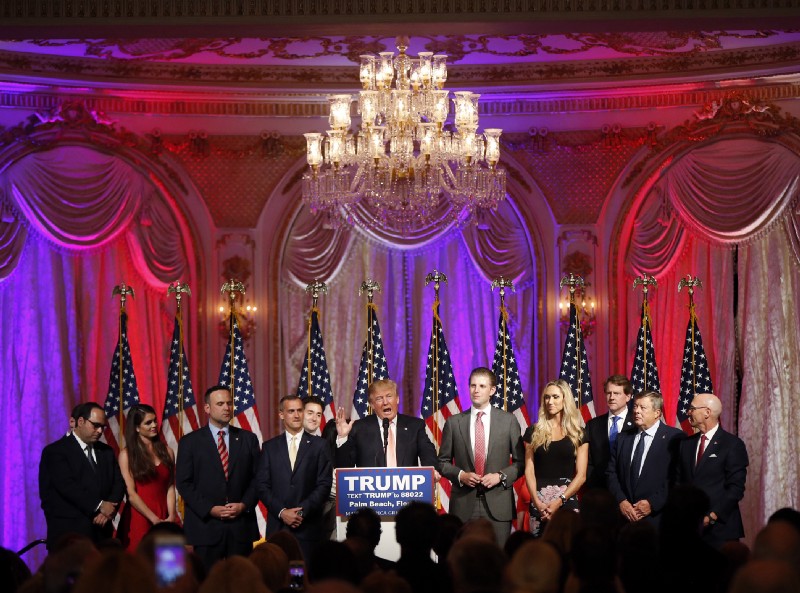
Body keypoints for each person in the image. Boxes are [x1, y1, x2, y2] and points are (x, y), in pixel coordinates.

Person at [176, 385, 261, 570]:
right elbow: (184, 483)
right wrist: (209, 509)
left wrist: (244, 505)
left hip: (240, 526)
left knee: (242, 582)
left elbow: (258, 479)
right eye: (220, 404)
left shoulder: (248, 439)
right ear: (207, 408)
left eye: (229, 403)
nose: (226, 408)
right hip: (205, 527)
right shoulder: (190, 442)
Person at [438, 367, 524, 546]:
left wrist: (500, 476)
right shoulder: (454, 423)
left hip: (498, 505)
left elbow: (520, 462)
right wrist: (461, 475)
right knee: (463, 560)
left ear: (492, 390)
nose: (476, 390)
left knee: (498, 560)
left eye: (482, 386)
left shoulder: (508, 421)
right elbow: (442, 462)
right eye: (472, 385)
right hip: (463, 505)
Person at [39, 402, 124, 549]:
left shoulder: (106, 451)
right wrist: (100, 506)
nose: (100, 431)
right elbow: (68, 487)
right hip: (69, 537)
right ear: (80, 422)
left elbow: (118, 483)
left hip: (101, 535)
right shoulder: (56, 451)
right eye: (95, 425)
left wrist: (107, 511)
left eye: (102, 427)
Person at [256, 394, 332, 560]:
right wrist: (282, 512)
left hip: (308, 529)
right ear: (281, 414)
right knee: (277, 579)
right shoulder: (269, 447)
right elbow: (262, 486)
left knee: (307, 580)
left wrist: (301, 512)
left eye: (300, 410)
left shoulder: (320, 446)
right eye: (291, 411)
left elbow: (324, 485)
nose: (297, 415)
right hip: (278, 529)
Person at [677, 392, 748, 549]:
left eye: (692, 408)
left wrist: (712, 516)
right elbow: (679, 483)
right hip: (690, 530)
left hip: (721, 531)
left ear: (707, 413)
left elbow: (736, 488)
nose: (688, 412)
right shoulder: (685, 444)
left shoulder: (732, 445)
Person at [607, 390, 684, 526]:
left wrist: (653, 503)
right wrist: (621, 501)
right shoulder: (623, 437)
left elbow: (677, 478)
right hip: (625, 518)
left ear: (657, 413)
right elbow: (611, 473)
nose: (636, 411)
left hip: (658, 519)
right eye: (635, 406)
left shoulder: (675, 438)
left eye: (643, 408)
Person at [523, 380, 588, 537]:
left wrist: (560, 500)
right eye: (547, 397)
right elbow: (529, 470)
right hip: (539, 503)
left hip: (567, 500)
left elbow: (581, 476)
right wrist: (537, 502)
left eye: (555, 397)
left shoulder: (578, 433)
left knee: (568, 548)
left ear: (565, 399)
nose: (550, 401)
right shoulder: (533, 431)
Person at [335, 378, 438, 468]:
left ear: (397, 399)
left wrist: (432, 471)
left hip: (406, 488)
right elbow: (344, 468)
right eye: (379, 398)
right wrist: (343, 437)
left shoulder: (414, 426)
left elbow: (428, 454)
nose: (385, 402)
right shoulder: (359, 428)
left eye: (389, 396)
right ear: (372, 405)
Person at [117, 403, 177, 551]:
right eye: (148, 422)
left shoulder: (167, 451)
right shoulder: (126, 455)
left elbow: (170, 486)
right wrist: (154, 519)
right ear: (137, 428)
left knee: (168, 567)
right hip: (140, 517)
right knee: (141, 567)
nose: (154, 425)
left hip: (165, 516)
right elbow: (131, 494)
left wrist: (171, 516)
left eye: (155, 421)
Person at [584, 375, 635, 489]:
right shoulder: (593, 425)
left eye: (616, 393)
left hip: (630, 491)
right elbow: (589, 462)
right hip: (600, 492)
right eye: (608, 393)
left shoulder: (637, 424)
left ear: (628, 396)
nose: (611, 397)